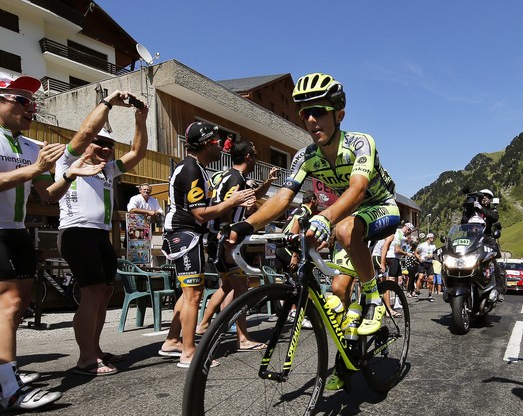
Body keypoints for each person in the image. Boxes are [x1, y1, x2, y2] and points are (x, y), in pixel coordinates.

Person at [0, 70, 104, 411]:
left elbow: (49, 195)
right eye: (22, 100)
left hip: (14, 228)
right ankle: (10, 391)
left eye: (33, 102)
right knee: (8, 303)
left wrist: (71, 173)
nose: (32, 108)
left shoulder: (30, 146)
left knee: (20, 301)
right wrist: (34, 168)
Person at [228, 73, 401, 390]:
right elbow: (283, 197)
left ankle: (374, 300)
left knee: (346, 228)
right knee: (337, 291)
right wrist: (246, 224)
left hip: (379, 208)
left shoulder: (360, 143)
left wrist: (327, 217)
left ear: (339, 114)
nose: (310, 119)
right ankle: (349, 352)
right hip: (344, 219)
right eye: (304, 112)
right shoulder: (305, 157)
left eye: (318, 111)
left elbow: (359, 189)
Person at [55, 90, 149, 376]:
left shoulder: (107, 170)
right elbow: (85, 131)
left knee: (106, 291)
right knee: (92, 293)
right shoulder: (67, 162)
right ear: (86, 145)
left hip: (100, 235)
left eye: (109, 145)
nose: (105, 148)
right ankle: (85, 359)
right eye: (99, 143)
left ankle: (95, 350)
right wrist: (108, 103)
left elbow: (137, 153)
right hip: (76, 233)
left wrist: (140, 118)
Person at [158, 122, 256, 368]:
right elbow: (201, 213)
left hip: (187, 234)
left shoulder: (196, 167)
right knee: (194, 294)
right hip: (185, 233)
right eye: (217, 143)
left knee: (189, 293)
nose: (221, 148)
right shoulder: (191, 169)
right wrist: (231, 201)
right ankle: (189, 353)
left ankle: (172, 341)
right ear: (206, 144)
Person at [195, 140, 278, 342]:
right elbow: (226, 207)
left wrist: (268, 182)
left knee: (228, 285)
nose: (257, 160)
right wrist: (227, 237)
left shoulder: (229, 175)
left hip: (217, 239)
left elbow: (252, 196)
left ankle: (204, 324)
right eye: (256, 155)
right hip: (224, 240)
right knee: (241, 288)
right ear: (248, 156)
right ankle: (243, 339)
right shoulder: (235, 178)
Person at [416, 232, 437, 300]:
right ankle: (417, 290)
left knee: (431, 279)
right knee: (421, 277)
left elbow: (435, 254)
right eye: (431, 237)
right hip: (423, 262)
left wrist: (432, 256)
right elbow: (415, 252)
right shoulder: (422, 245)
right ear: (428, 238)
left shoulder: (433, 246)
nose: (432, 239)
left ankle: (430, 294)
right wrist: (419, 258)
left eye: (433, 237)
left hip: (429, 263)